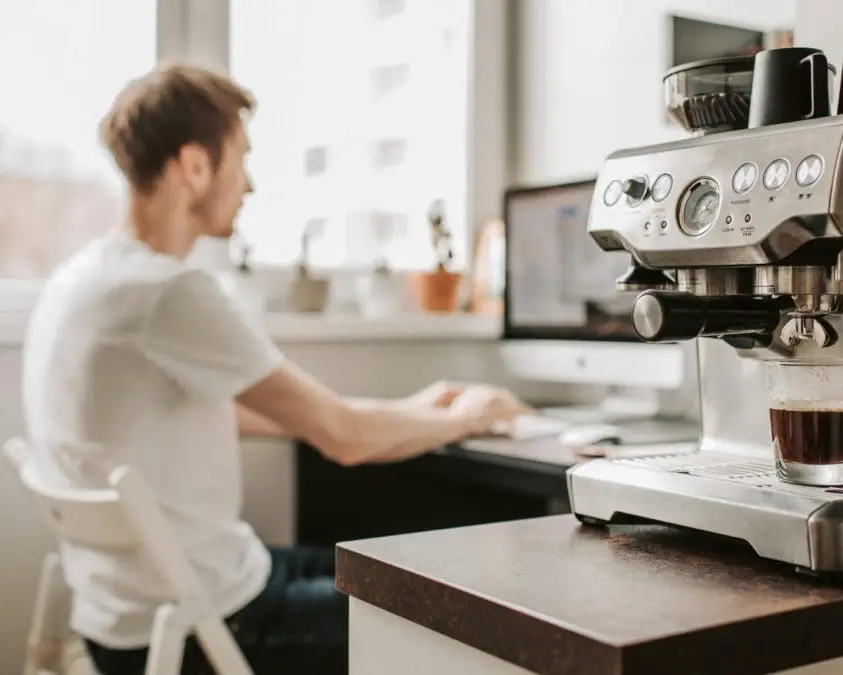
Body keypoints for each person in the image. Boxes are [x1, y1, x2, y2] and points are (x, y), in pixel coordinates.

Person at [20, 63, 531, 675]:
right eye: (242, 157)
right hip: (206, 627)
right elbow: (341, 438)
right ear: (195, 166)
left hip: (129, 613)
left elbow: (247, 415)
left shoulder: (85, 278)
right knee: (464, 626)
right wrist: (465, 417)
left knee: (376, 565)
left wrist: (421, 409)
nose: (251, 184)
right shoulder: (169, 292)